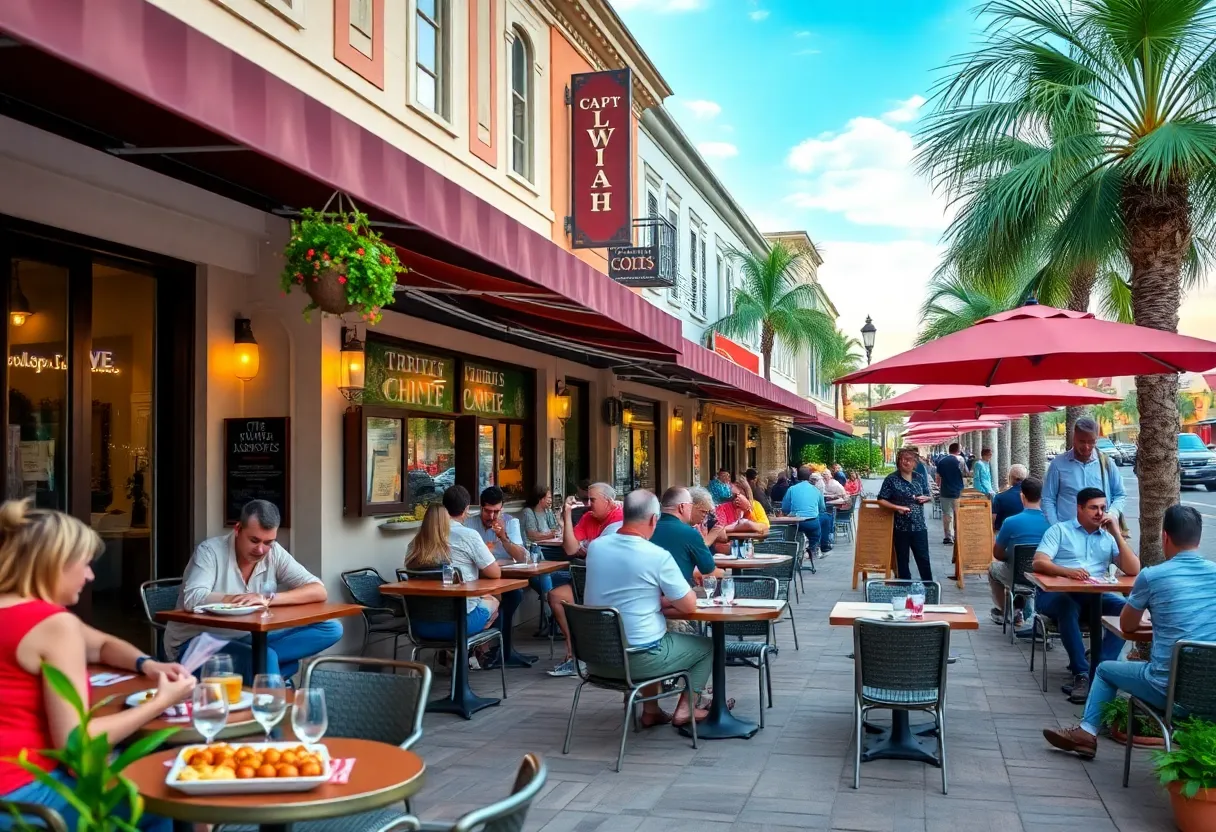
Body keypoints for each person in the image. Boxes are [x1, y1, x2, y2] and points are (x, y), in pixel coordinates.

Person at [0, 501, 194, 832]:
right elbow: (77, 746)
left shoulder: (19, 613)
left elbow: (102, 645)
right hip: (25, 796)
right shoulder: (54, 625)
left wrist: (146, 664)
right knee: (169, 791)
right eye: (86, 564)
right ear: (56, 564)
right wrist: (162, 701)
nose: (90, 576)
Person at [1043, 505, 1216, 759]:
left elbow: (1128, 626)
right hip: (1211, 690)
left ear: (1164, 537)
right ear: (1199, 539)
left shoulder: (1152, 576)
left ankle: (1086, 733)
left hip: (1166, 688)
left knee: (1104, 670)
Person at [167, 500, 341, 683]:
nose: (260, 549)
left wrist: (267, 599)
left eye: (268, 542)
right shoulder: (210, 551)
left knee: (331, 627)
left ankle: (265, 669)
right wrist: (237, 599)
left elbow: (318, 590)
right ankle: (272, 696)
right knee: (269, 659)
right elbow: (193, 598)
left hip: (248, 637)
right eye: (254, 540)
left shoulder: (274, 552)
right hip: (197, 644)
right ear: (238, 529)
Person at [583, 490, 713, 727]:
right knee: (705, 647)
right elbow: (688, 605)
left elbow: (624, 592)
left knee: (648, 631)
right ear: (654, 519)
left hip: (595, 660)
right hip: (636, 660)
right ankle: (686, 708)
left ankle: (651, 711)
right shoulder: (656, 556)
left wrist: (651, 600)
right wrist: (668, 598)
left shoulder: (596, 548)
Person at [1034, 487, 1141, 704]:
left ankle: (1100, 668)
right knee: (1067, 606)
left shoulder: (1108, 537)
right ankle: (1081, 673)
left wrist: (1117, 534)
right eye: (1093, 508)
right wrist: (1067, 572)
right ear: (1079, 509)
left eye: (1103, 508)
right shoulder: (1060, 531)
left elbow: (1133, 570)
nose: (1099, 513)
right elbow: (1039, 561)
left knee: (1125, 609)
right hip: (1056, 594)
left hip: (1094, 595)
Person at [548, 483, 623, 677]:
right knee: (555, 596)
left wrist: (588, 550)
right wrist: (566, 515)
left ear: (608, 501)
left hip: (614, 582)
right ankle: (573, 653)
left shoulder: (620, 518)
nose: (588, 504)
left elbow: (608, 555)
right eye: (586, 499)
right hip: (588, 578)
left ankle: (605, 656)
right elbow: (571, 549)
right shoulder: (588, 517)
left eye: (593, 500)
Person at [464, 486, 541, 666]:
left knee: (514, 595)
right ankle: (489, 647)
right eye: (488, 511)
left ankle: (494, 647)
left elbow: (523, 557)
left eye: (496, 511)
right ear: (481, 508)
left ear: (502, 509)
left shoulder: (510, 522)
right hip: (480, 578)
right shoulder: (469, 525)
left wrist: (504, 537)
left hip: (505, 577)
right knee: (510, 596)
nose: (491, 516)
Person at [404, 500, 501, 640]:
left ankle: (460, 653)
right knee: (494, 601)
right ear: (446, 522)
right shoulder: (451, 555)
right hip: (458, 624)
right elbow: (495, 573)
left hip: (419, 625)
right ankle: (474, 652)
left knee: (481, 601)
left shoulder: (412, 548)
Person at [988, 476, 1049, 627]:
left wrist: (1011, 555)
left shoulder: (1011, 522)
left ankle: (1005, 612)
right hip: (1045, 576)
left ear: (1022, 496)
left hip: (1017, 575)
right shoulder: (1051, 522)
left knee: (993, 569)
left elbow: (997, 554)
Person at [1042, 417, 1126, 526]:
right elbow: (1048, 499)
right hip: (1069, 534)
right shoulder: (1058, 464)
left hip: (1100, 532)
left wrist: (1112, 514)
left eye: (1091, 442)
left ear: (1096, 439)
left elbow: (1120, 494)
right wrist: (1056, 527)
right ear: (1074, 438)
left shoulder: (1107, 463)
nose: (1086, 447)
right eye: (1082, 441)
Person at [876, 448, 934, 581]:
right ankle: (904, 590)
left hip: (919, 526)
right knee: (902, 562)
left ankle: (929, 588)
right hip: (901, 527)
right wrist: (897, 507)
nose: (904, 462)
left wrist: (926, 498)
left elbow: (927, 494)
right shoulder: (891, 479)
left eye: (908, 460)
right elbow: (881, 500)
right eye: (901, 459)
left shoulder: (918, 477)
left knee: (923, 559)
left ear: (914, 463)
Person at [651, 487, 723, 586]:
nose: (705, 515)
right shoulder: (690, 533)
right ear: (682, 507)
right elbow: (710, 571)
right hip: (677, 595)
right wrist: (729, 575)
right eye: (691, 505)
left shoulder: (647, 530)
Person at [782, 466, 830, 556]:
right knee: (815, 535)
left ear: (797, 476)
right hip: (812, 522)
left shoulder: (792, 489)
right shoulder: (816, 490)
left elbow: (785, 508)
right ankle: (813, 551)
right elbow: (822, 508)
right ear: (809, 477)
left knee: (792, 537)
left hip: (795, 523)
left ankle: (795, 555)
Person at [935, 442, 967, 545]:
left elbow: (938, 477)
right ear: (958, 450)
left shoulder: (941, 461)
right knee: (957, 514)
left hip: (945, 491)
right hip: (958, 491)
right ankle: (957, 535)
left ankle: (948, 536)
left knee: (947, 515)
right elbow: (965, 472)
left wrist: (938, 486)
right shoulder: (960, 460)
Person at [689, 486, 729, 553]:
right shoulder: (683, 525)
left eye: (707, 512)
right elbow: (696, 553)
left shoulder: (707, 518)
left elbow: (723, 537)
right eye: (703, 511)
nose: (705, 515)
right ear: (690, 507)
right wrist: (710, 538)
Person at [993, 464, 1028, 531]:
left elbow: (993, 520)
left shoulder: (999, 497)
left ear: (1011, 478)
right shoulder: (1034, 495)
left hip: (1005, 535)